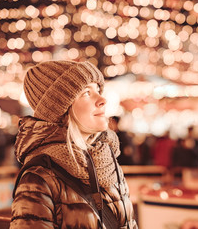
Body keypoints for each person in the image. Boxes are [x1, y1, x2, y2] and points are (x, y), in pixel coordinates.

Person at [10, 60, 137, 229]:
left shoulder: (107, 160)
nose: (102, 100)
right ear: (60, 108)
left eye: (98, 90)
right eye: (86, 93)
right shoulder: (39, 177)